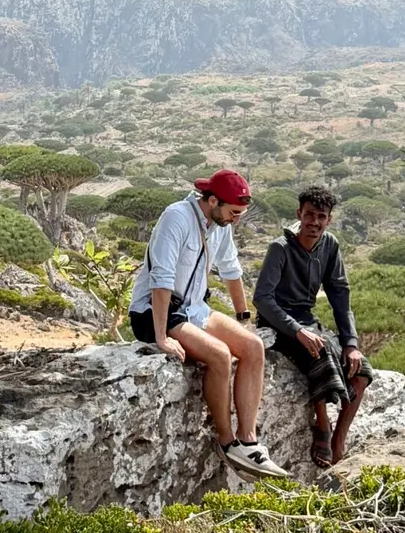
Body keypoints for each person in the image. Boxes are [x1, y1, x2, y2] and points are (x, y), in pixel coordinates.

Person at [128, 169, 288, 481]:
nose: (236, 220)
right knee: (220, 356)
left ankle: (248, 442)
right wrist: (161, 337)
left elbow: (231, 269)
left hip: (194, 309)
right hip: (156, 311)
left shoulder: (219, 224)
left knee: (253, 347)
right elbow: (161, 279)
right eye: (234, 212)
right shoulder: (176, 218)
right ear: (212, 200)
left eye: (240, 213)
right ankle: (227, 443)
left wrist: (243, 318)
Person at [254, 185, 373, 466]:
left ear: (329, 219)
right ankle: (322, 424)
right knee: (321, 353)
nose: (314, 222)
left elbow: (340, 294)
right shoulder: (280, 248)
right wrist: (297, 330)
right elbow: (262, 298)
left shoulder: (329, 245)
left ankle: (339, 439)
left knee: (361, 371)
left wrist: (351, 343)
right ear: (299, 214)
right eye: (309, 215)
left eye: (321, 217)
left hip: (307, 318)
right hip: (277, 322)